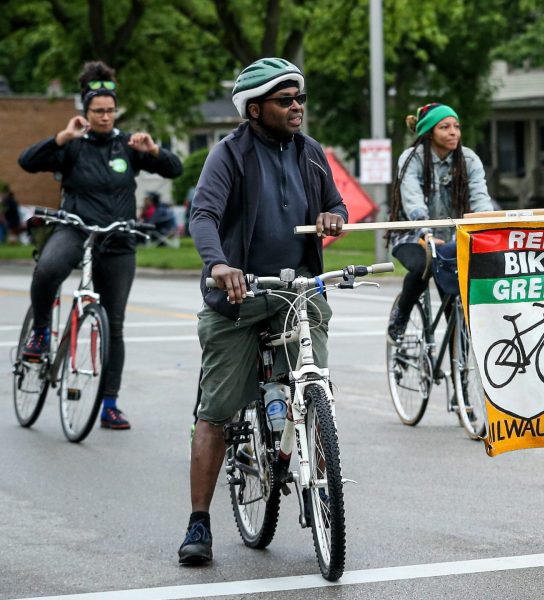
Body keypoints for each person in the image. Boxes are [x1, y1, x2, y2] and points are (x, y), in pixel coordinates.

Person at [178, 57, 347, 565]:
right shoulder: (227, 156)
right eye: (285, 100)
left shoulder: (311, 153)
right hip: (239, 297)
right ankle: (199, 523)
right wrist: (219, 265)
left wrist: (332, 218)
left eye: (300, 99)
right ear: (254, 109)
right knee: (217, 410)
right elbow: (203, 214)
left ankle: (315, 449)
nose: (297, 107)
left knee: (314, 383)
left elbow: (338, 206)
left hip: (298, 291)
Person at [17, 61, 183, 429]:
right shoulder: (73, 146)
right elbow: (27, 161)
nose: (106, 116)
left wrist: (154, 151)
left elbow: (176, 171)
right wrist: (62, 138)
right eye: (98, 111)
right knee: (47, 268)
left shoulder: (129, 145)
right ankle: (41, 330)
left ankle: (109, 403)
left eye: (110, 110)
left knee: (115, 324)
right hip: (75, 228)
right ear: (86, 112)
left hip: (118, 237)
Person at [385, 102, 494, 341]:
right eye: (445, 127)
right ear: (429, 132)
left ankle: (457, 344)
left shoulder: (468, 159)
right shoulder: (411, 158)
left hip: (453, 235)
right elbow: (412, 198)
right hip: (412, 232)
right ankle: (401, 314)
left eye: (456, 126)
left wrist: (489, 225)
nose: (453, 132)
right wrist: (426, 231)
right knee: (424, 264)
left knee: (453, 279)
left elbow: (480, 197)